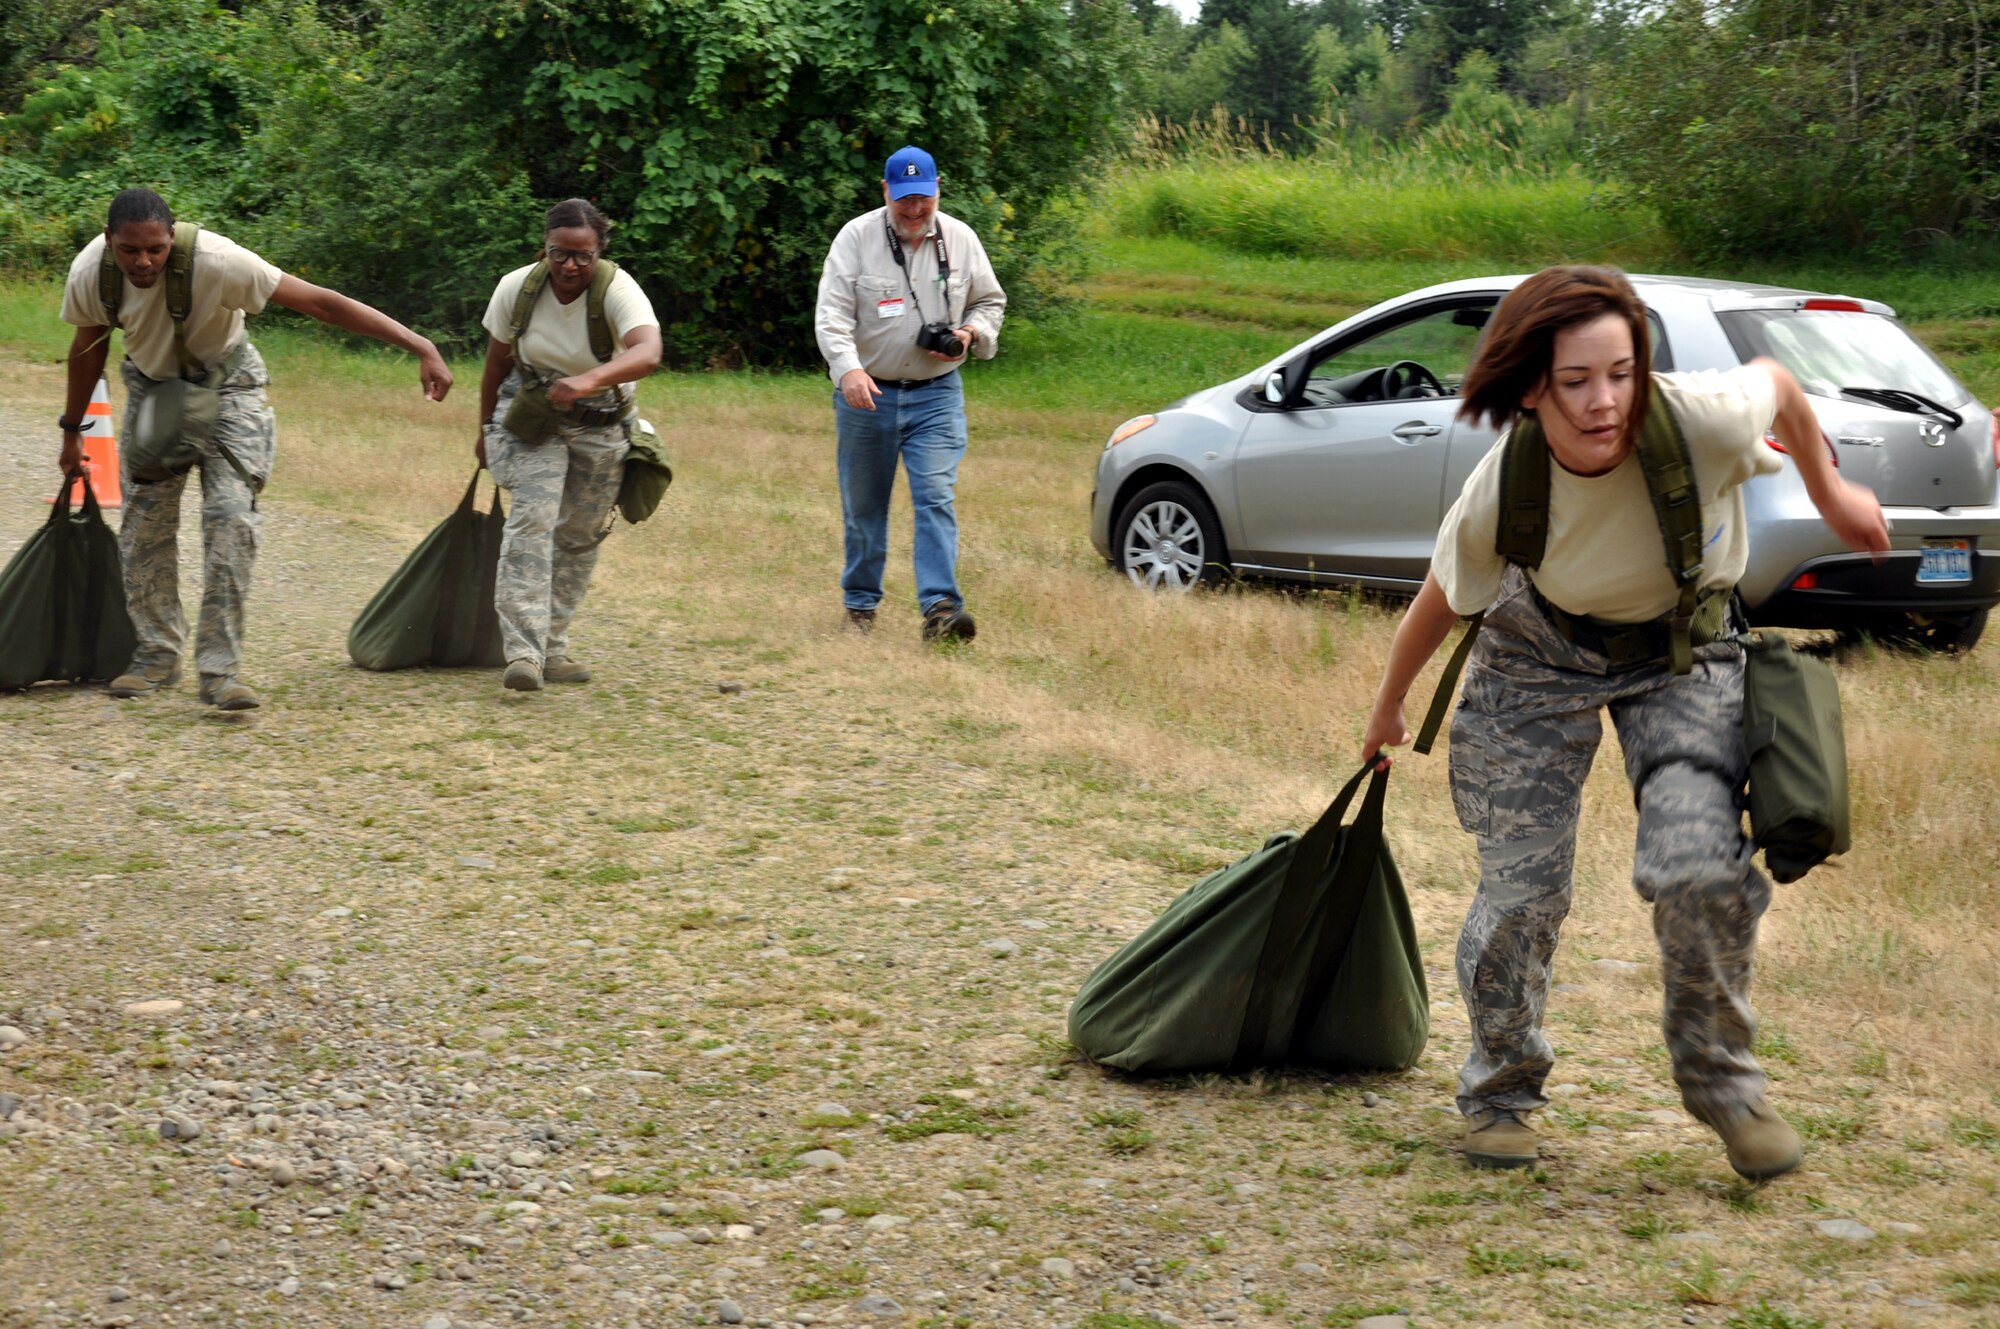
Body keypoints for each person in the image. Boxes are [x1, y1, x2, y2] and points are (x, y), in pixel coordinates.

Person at [1358, 266, 1889, 1180]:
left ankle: (1726, 1085)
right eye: (1576, 382)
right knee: (1522, 890)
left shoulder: (1701, 418)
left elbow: (1785, 388)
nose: (1606, 402)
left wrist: (1832, 494)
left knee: (1695, 870)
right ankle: (1500, 1091)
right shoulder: (1505, 482)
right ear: (1533, 386)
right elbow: (1445, 591)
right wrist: (1388, 700)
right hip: (1534, 656)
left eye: (1622, 372)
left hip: (1681, 655)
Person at [59, 188, 452, 712]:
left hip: (230, 390)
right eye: (130, 250)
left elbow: (321, 304)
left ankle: (220, 671)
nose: (144, 261)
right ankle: (156, 653)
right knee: (144, 528)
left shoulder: (221, 263)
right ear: (110, 241)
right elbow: (87, 348)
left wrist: (420, 345)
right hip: (155, 391)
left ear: (171, 238)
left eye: (155, 248)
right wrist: (72, 432)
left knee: (230, 521)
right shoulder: (92, 273)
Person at [813, 145, 1006, 641]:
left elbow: (990, 300)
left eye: (924, 198)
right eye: (904, 200)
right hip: (868, 395)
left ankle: (941, 609)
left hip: (937, 394)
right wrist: (848, 371)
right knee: (864, 506)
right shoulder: (855, 238)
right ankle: (860, 606)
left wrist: (972, 335)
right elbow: (831, 315)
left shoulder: (961, 239)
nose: (915, 209)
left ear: (939, 189)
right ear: (885, 192)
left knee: (935, 496)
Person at [477, 198, 663, 692]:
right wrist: (482, 431)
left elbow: (648, 352)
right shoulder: (516, 288)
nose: (570, 267)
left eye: (583, 256)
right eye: (560, 253)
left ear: (600, 251)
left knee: (579, 536)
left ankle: (552, 645)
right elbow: (495, 364)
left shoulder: (618, 290)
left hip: (602, 423)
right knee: (532, 522)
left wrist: (587, 382)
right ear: (545, 247)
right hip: (535, 418)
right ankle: (523, 652)